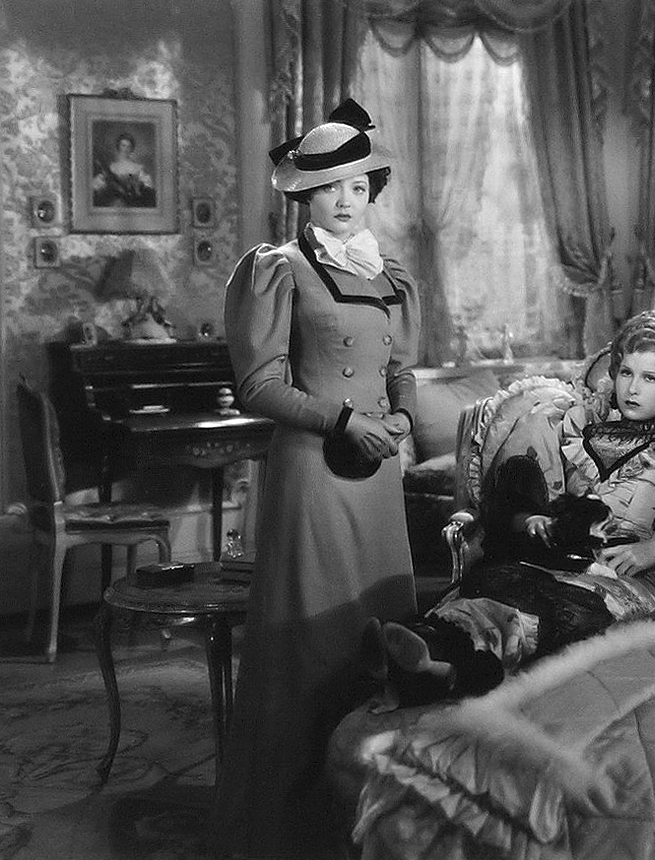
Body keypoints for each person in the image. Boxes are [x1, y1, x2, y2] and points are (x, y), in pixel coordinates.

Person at [211, 99, 421, 859]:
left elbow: (401, 369)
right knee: (315, 639)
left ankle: (374, 817)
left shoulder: (390, 273)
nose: (345, 199)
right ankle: (295, 830)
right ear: (304, 194)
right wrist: (342, 419)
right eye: (329, 187)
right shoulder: (278, 269)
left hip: (378, 478)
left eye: (358, 186)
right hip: (314, 473)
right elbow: (258, 387)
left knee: (380, 634)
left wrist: (401, 418)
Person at [367, 311, 655, 707]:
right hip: (551, 557)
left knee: (558, 608)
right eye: (626, 372)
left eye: (650, 378)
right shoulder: (574, 424)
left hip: (625, 575)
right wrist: (533, 520)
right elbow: (516, 499)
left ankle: (442, 666)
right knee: (493, 583)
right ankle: (433, 649)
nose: (632, 388)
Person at [91, 132, 156, 207]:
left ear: (132, 149)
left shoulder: (138, 168)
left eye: (129, 146)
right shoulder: (111, 167)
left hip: (133, 203)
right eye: (123, 145)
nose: (125, 149)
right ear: (118, 147)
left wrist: (138, 186)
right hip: (113, 205)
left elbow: (148, 187)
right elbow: (98, 184)